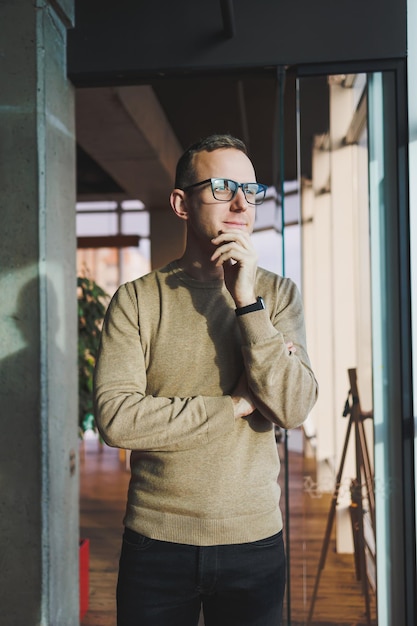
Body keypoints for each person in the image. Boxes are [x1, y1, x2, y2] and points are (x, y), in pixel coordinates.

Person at [94, 133, 318, 626]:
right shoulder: (136, 300)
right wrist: (235, 406)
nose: (241, 202)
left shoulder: (276, 296)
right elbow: (116, 420)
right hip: (156, 542)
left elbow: (294, 408)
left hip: (254, 542)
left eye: (251, 189)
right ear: (180, 202)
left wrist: (247, 305)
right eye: (221, 186)